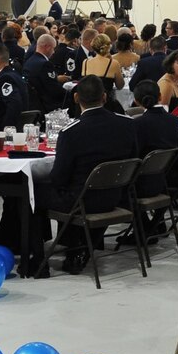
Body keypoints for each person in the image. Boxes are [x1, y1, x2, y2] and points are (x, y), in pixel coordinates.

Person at [38, 75, 141, 273]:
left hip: (81, 202)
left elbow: (59, 177)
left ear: (76, 98)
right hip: (116, 196)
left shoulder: (71, 132)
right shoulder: (127, 124)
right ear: (104, 97)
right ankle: (77, 245)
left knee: (32, 194)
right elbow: (134, 159)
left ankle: (36, 257)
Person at [0, 42, 28, 134]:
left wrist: (5, 131)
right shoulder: (8, 75)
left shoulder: (5, 79)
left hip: (1, 131)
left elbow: (14, 104)